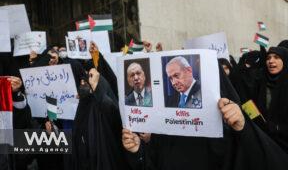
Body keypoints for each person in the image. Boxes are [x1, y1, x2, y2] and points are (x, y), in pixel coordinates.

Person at [122, 64, 288, 170]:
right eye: (170, 78)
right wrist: (138, 151)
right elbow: (153, 163)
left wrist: (243, 128)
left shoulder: (230, 122)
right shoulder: (169, 122)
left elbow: (264, 159)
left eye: (177, 76)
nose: (174, 82)